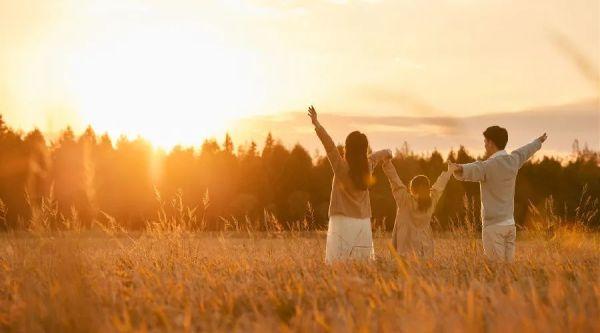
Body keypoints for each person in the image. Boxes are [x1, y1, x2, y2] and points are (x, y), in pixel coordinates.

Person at [449, 126, 547, 262]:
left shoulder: (487, 166)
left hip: (493, 227)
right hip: (509, 225)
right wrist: (538, 141)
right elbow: (526, 151)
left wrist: (458, 168)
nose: (484, 144)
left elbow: (473, 169)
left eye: (485, 141)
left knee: (496, 270)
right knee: (508, 271)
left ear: (490, 142)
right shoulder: (513, 160)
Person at [308, 106, 391, 263]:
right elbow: (375, 157)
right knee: (362, 262)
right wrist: (387, 151)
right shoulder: (368, 166)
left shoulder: (340, 166)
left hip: (342, 219)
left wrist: (317, 124)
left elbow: (330, 145)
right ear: (364, 149)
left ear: (347, 147)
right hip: (362, 221)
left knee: (339, 262)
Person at [382, 157, 456, 258]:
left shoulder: (404, 200)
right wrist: (449, 171)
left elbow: (395, 181)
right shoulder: (432, 201)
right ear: (427, 188)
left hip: (405, 250)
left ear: (412, 188)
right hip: (425, 249)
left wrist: (387, 163)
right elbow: (439, 186)